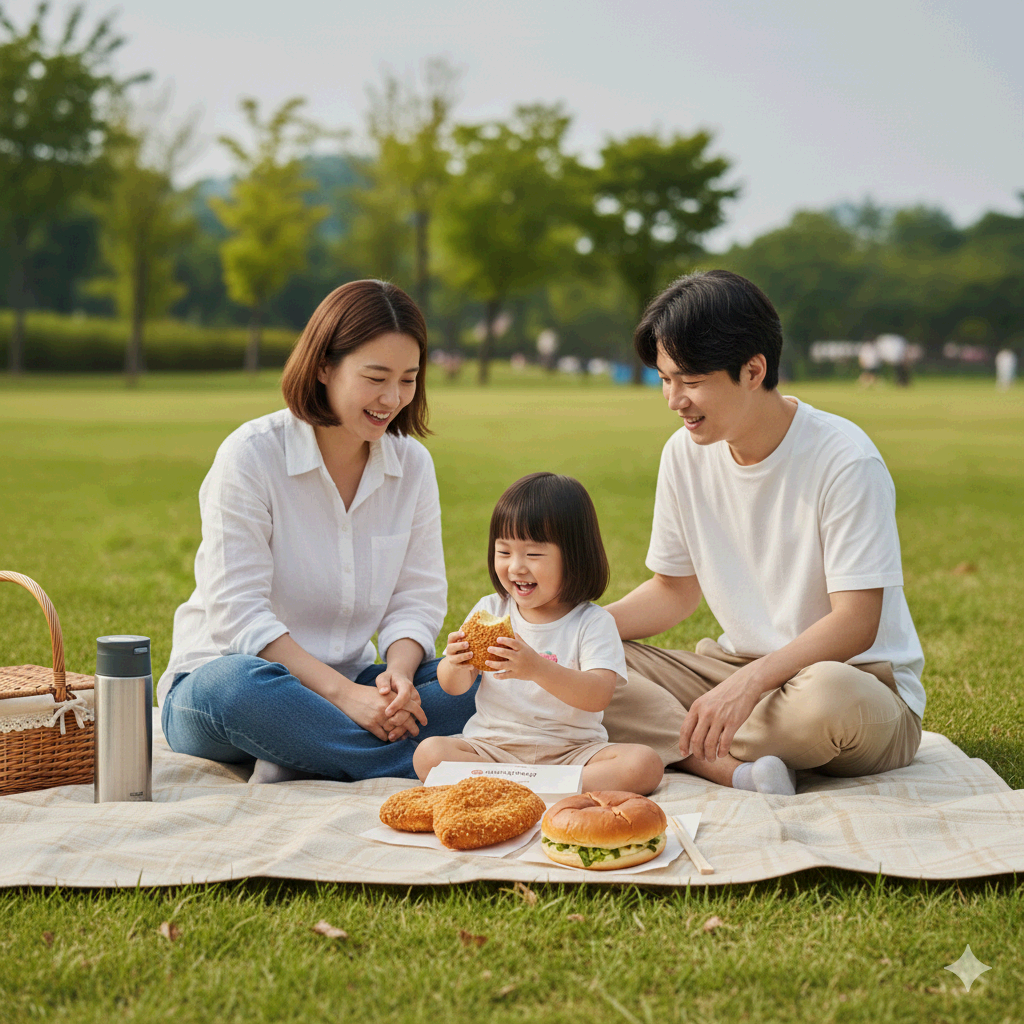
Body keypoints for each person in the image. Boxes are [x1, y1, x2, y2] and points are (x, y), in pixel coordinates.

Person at [602, 270, 925, 796]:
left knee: (827, 701)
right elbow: (673, 591)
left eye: (690, 379)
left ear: (753, 370)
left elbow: (856, 622)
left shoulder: (844, 459)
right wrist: (571, 629)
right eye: (665, 379)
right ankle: (725, 762)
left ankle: (683, 744)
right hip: (731, 670)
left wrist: (750, 685)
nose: (673, 399)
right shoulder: (683, 454)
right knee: (589, 663)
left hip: (853, 682)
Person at [158, 280, 478, 783]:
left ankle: (302, 752)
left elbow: (417, 597)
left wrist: (397, 671)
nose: (392, 398)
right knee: (237, 687)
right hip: (232, 685)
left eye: (409, 379)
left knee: (479, 684)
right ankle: (427, 760)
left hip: (354, 680)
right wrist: (346, 698)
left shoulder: (412, 466)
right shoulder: (251, 456)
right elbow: (238, 615)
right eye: (375, 377)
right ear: (324, 366)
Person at [414, 473, 664, 794]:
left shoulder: (591, 621)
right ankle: (541, 788)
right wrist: (454, 663)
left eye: (532, 554)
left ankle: (513, 788)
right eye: (504, 552)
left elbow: (598, 694)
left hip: (572, 752)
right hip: (494, 748)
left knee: (643, 764)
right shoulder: (491, 609)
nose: (516, 566)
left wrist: (536, 668)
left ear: (574, 557)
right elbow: (454, 687)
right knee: (429, 754)